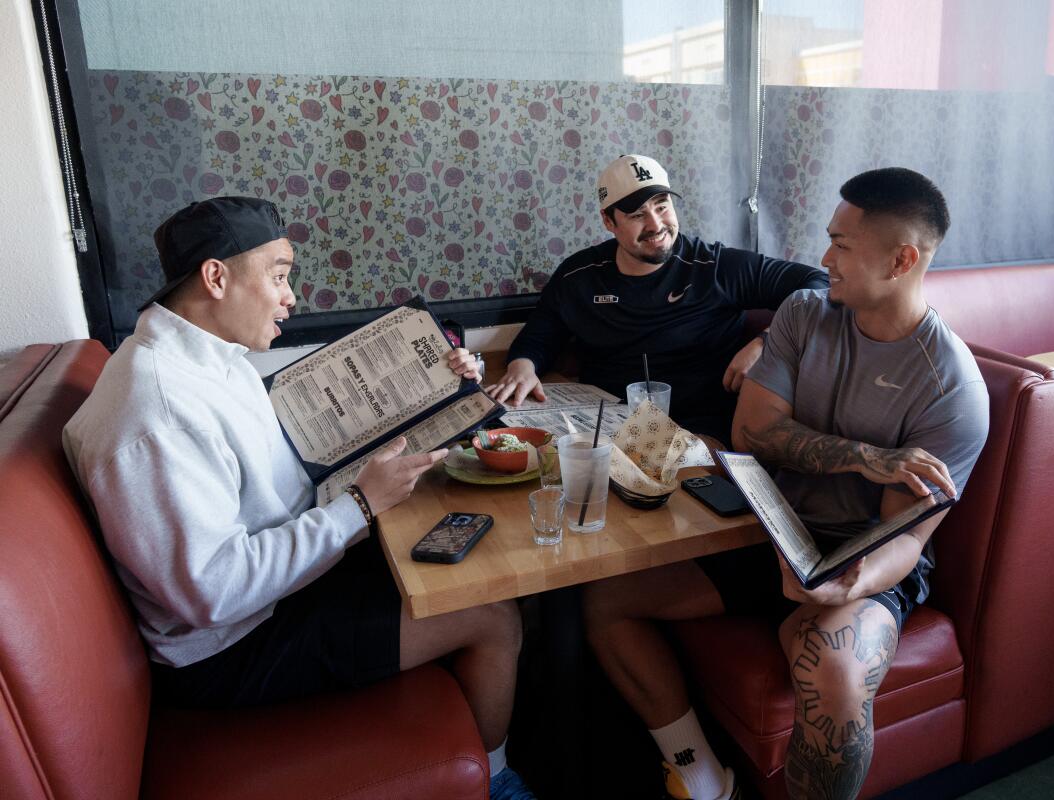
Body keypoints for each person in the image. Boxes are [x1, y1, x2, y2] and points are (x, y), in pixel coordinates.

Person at [62, 197, 536, 800]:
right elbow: (213, 591)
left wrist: (436, 389)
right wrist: (360, 508)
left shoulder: (210, 361)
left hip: (270, 597)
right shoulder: (156, 414)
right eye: (280, 276)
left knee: (467, 557)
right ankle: (495, 783)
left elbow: (295, 461)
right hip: (229, 650)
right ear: (216, 276)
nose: (291, 298)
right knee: (491, 612)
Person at [582, 168, 989, 800]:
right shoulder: (806, 311)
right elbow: (754, 433)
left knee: (834, 671)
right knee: (606, 600)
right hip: (766, 532)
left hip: (858, 558)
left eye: (842, 246)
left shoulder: (951, 388)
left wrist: (845, 582)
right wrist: (865, 456)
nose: (824, 258)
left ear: (902, 259)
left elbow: (901, 540)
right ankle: (701, 775)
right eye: (829, 238)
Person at [485, 154, 828, 444]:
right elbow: (540, 334)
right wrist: (522, 367)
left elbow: (820, 285)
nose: (655, 225)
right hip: (607, 423)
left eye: (662, 207)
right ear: (609, 221)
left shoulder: (714, 265)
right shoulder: (580, 274)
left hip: (700, 429)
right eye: (637, 215)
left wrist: (767, 342)